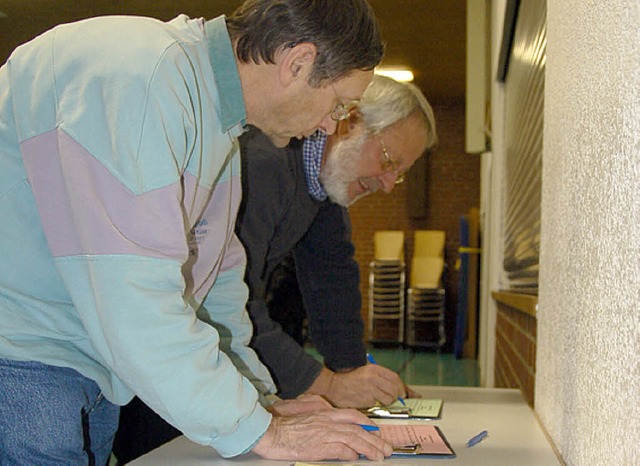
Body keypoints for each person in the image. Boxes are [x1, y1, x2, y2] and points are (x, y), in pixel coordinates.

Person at [0, 1, 390, 464]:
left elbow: (215, 277)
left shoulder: (216, 119)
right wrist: (259, 429)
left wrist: (258, 398)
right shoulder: (138, 79)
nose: (331, 124)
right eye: (339, 104)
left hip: (85, 360)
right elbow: (135, 301)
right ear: (298, 63)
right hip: (22, 354)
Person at [113, 75, 437, 462]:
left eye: (398, 174)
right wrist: (328, 384)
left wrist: (357, 380)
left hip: (209, 361)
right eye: (388, 162)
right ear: (350, 122)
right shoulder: (263, 161)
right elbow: (226, 301)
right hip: (170, 359)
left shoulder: (327, 183)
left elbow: (334, 288)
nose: (387, 185)